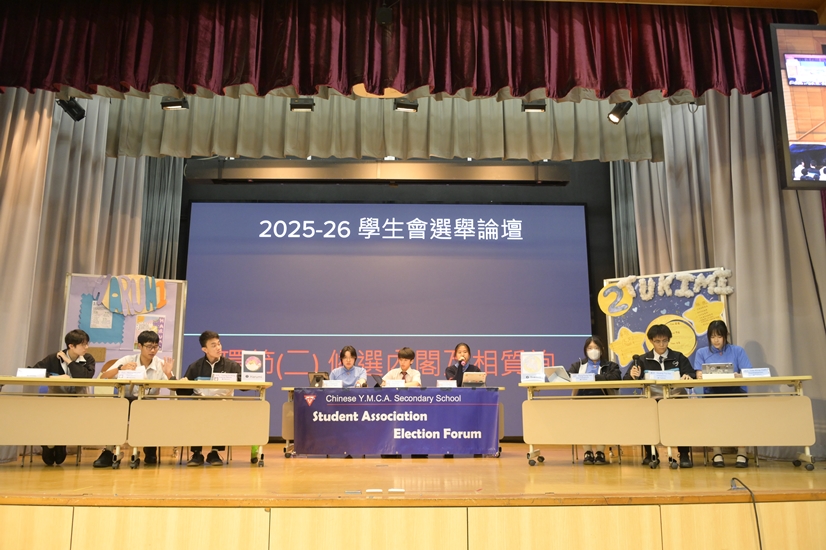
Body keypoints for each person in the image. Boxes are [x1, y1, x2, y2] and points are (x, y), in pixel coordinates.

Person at [93, 330, 175, 468]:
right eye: (149, 346)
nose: (153, 350)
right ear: (140, 346)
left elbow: (174, 388)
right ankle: (108, 452)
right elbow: (104, 377)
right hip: (127, 399)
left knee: (154, 413)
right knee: (115, 414)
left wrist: (168, 374)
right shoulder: (127, 360)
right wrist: (121, 368)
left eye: (155, 347)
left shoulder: (160, 363)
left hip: (148, 402)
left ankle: (150, 448)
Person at [624, 324, 696, 468]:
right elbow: (627, 380)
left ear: (669, 340)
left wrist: (688, 377)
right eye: (658, 341)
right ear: (651, 341)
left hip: (675, 398)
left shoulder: (678, 357)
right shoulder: (643, 360)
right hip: (652, 399)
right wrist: (632, 376)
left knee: (682, 419)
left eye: (665, 341)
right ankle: (651, 454)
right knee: (643, 414)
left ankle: (684, 454)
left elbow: (691, 375)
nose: (662, 344)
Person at [30, 329, 96, 465]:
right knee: (51, 416)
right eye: (83, 344)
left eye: (87, 344)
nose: (86, 347)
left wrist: (68, 361)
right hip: (55, 400)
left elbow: (84, 377)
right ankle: (49, 443)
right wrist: (53, 377)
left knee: (71, 418)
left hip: (78, 401)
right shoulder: (54, 358)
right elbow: (32, 371)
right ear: (71, 346)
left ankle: (61, 442)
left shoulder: (88, 359)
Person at [693, 320, 753, 468]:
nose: (716, 340)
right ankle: (717, 453)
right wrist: (700, 375)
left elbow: (748, 372)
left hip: (735, 392)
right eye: (713, 337)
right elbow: (698, 374)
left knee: (739, 422)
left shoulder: (737, 351)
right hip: (712, 392)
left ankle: (742, 452)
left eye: (719, 336)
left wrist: (739, 376)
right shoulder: (702, 353)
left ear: (725, 336)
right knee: (714, 422)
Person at [177, 331, 241, 466]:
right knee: (195, 413)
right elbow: (184, 392)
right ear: (204, 349)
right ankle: (196, 453)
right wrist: (181, 382)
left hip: (223, 407)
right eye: (213, 345)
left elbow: (244, 386)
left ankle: (214, 452)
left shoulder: (232, 366)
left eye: (219, 344)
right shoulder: (195, 367)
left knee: (221, 413)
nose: (218, 348)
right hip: (200, 407)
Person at [568, 336, 621, 465]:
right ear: (585, 350)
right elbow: (568, 377)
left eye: (596, 348)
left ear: (601, 349)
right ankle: (588, 452)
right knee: (583, 424)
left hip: (603, 399)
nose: (593, 351)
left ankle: (600, 452)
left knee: (601, 424)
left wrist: (594, 377)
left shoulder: (610, 365)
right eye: (590, 348)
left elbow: (616, 380)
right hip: (582, 399)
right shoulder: (578, 365)